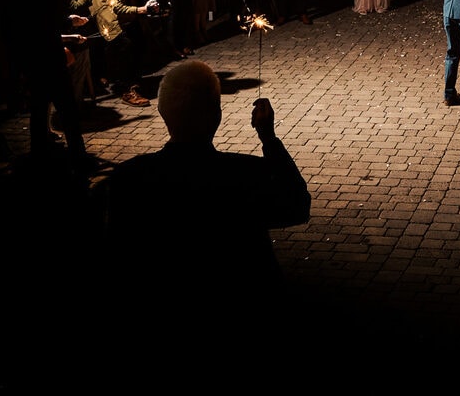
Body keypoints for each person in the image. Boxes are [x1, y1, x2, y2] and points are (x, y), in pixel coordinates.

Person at [103, 59, 310, 341]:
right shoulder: (244, 174)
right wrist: (269, 139)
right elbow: (297, 205)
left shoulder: (128, 178)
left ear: (163, 111)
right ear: (217, 115)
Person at [1, 0, 92, 168]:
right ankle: (78, 154)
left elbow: (12, 32)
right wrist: (70, 26)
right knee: (67, 109)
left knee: (38, 108)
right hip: (51, 60)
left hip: (29, 61)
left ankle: (39, 154)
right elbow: (51, 29)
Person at [89, 0, 165, 106]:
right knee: (123, 45)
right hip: (106, 11)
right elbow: (116, 7)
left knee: (141, 40)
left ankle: (134, 81)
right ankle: (125, 90)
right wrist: (142, 10)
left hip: (127, 7)